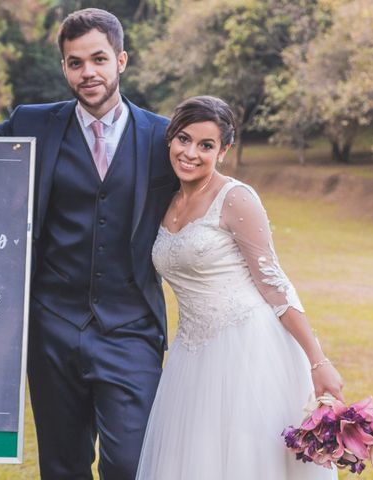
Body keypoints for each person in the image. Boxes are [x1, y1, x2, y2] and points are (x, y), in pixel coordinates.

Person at [0, 8, 178, 479]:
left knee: (131, 464)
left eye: (98, 59)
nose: (88, 72)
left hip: (131, 328)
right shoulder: (33, 123)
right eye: (75, 63)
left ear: (121, 60)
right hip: (53, 326)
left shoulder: (162, 136)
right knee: (61, 466)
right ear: (64, 68)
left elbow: (208, 197)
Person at [135, 96, 344, 480]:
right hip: (191, 355)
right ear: (170, 140)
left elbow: (275, 284)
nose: (191, 153)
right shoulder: (169, 200)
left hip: (247, 349)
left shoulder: (236, 198)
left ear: (224, 149)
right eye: (183, 139)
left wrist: (318, 360)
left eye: (206, 145)